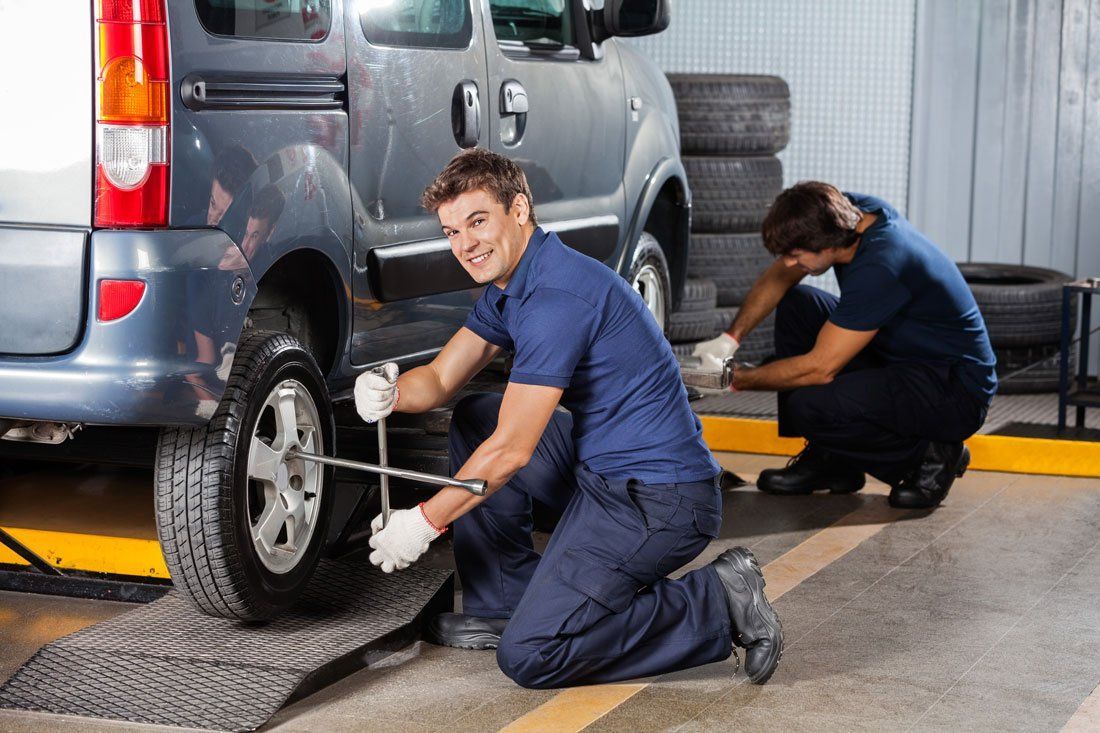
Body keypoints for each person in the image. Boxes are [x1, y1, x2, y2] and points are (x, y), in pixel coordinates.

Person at [354, 149, 783, 689]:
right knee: (476, 415)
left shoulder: (557, 298)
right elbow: (440, 380)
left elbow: (511, 452)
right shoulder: (515, 283)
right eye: (451, 231)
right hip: (601, 467)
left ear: (519, 209)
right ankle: (504, 601)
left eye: (478, 221)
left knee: (532, 655)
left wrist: (423, 523)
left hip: (660, 500)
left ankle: (717, 601)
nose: (464, 245)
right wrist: (391, 390)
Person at [692, 181, 996, 509]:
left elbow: (820, 368)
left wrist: (736, 380)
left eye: (796, 254)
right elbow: (781, 275)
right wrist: (729, 340)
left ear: (827, 244)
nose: (789, 263)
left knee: (809, 402)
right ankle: (833, 460)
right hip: (904, 358)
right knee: (798, 303)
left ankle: (930, 457)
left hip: (954, 388)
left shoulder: (883, 261)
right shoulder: (848, 213)